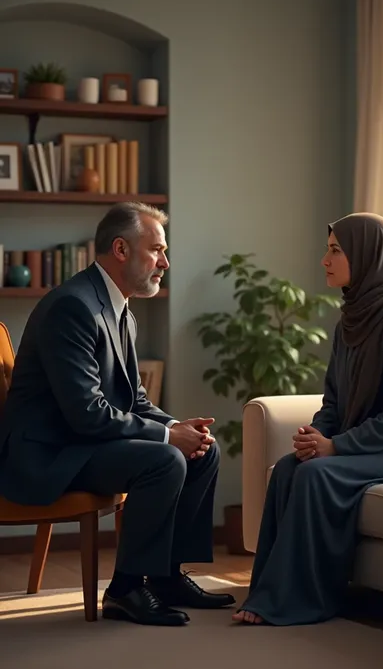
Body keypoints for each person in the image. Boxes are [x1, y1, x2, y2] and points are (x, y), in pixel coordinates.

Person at [0, 201, 235, 626]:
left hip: (80, 443)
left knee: (203, 450)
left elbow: (136, 401)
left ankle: (166, 577)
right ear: (122, 249)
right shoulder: (73, 307)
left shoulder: (120, 309)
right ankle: (126, 589)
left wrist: (179, 428)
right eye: (157, 250)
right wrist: (167, 439)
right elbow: (87, 414)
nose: (165, 262)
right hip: (49, 453)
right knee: (164, 459)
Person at [232, 212, 383, 627]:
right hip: (370, 443)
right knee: (287, 468)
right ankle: (270, 590)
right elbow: (334, 400)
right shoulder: (350, 320)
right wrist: (316, 434)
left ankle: (297, 600)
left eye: (336, 250)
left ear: (368, 256)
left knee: (315, 475)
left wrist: (337, 447)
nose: (324, 259)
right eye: (328, 249)